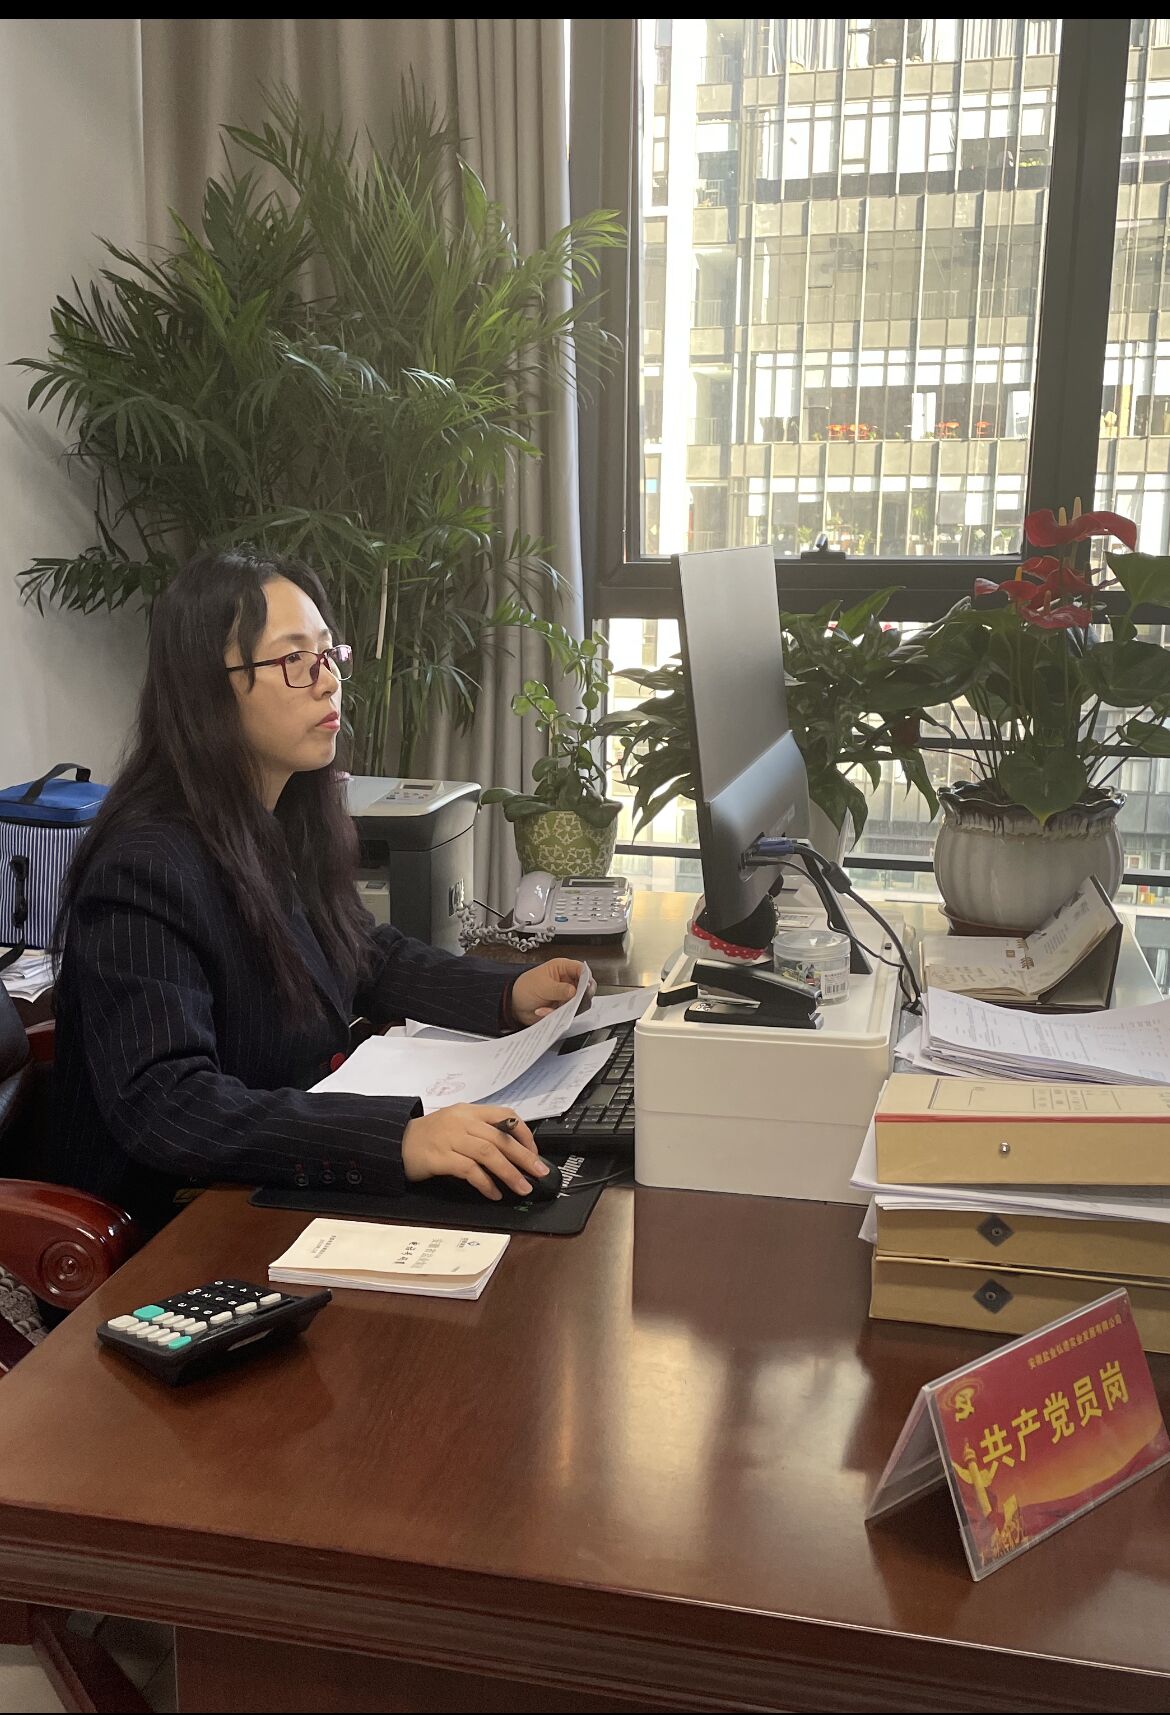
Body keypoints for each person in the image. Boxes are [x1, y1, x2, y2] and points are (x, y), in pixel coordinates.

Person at [49, 549, 593, 1232]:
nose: (328, 681)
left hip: (273, 1178)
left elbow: (364, 954)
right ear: (207, 687)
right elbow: (169, 1104)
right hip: (169, 1226)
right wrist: (397, 1139)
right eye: (295, 660)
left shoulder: (274, 817)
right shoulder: (144, 867)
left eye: (329, 655)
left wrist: (507, 993)